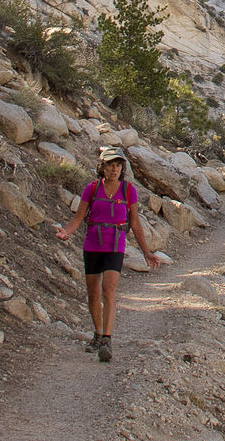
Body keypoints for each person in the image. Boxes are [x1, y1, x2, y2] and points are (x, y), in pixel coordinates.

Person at [55, 145, 160, 362]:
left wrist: (146, 252)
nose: (114, 170)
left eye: (118, 166)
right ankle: (98, 333)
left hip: (115, 245)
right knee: (93, 294)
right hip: (93, 244)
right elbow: (78, 218)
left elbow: (135, 224)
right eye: (110, 165)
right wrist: (66, 232)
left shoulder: (128, 190)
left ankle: (107, 339)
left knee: (108, 289)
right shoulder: (91, 189)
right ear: (102, 167)